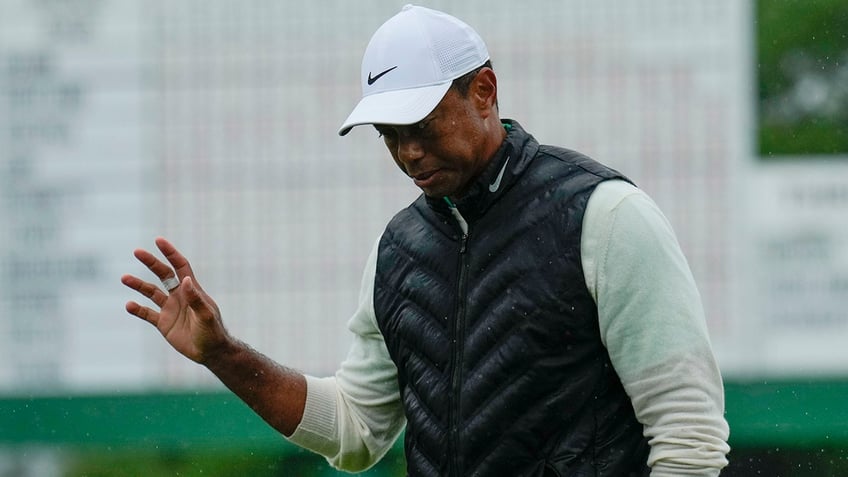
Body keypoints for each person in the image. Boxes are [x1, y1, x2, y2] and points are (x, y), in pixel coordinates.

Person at [121, 5, 730, 476]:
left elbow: (689, 437)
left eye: (423, 123)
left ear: (485, 91)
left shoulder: (607, 216)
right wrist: (224, 354)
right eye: (388, 132)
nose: (407, 150)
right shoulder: (399, 250)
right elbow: (356, 431)